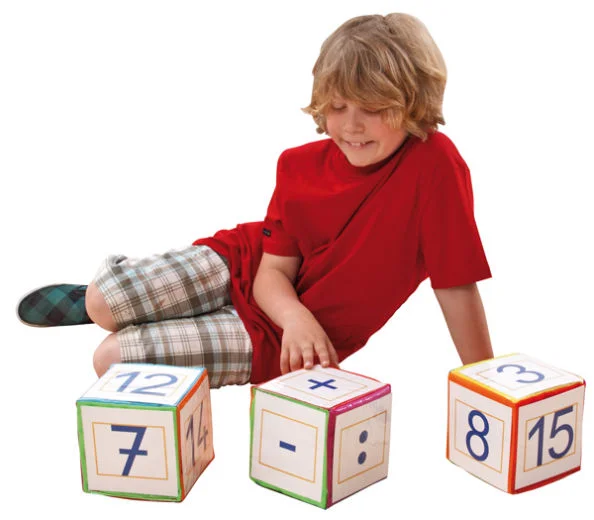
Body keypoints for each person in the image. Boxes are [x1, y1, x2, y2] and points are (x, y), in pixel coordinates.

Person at [17, 13, 493, 388]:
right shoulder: (296, 165)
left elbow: (455, 285)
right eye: (338, 106)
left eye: (372, 109)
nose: (351, 125)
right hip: (245, 266)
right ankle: (115, 304)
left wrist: (483, 381)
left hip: (283, 338)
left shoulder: (434, 165)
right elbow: (271, 273)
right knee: (102, 302)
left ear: (413, 102)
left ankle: (146, 312)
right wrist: (294, 313)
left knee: (110, 359)